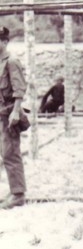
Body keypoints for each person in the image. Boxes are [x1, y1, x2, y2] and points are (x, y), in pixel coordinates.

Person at [0, 27, 28, 209]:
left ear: (4, 41)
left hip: (10, 113)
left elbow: (19, 90)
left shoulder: (12, 61)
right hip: (1, 113)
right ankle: (13, 192)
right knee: (5, 152)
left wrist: (16, 112)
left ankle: (18, 195)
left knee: (11, 153)